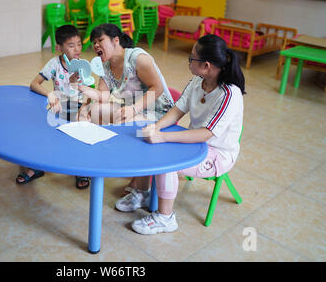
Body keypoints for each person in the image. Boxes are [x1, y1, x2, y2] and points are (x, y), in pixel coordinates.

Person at [114, 34, 245, 235]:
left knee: (167, 160)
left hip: (217, 153)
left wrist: (164, 137)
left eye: (192, 58)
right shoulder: (197, 81)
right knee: (147, 139)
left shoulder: (228, 94)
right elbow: (177, 110)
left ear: (207, 65)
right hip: (195, 142)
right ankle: (143, 193)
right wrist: (156, 128)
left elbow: (206, 134)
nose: (189, 61)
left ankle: (165, 218)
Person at [76, 23, 174, 194]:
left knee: (127, 124)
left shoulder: (138, 58)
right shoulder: (104, 66)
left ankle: (138, 178)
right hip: (133, 110)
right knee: (93, 111)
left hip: (158, 113)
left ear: (116, 40)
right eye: (93, 43)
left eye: (100, 40)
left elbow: (156, 89)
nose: (96, 45)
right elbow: (103, 96)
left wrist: (134, 109)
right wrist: (83, 94)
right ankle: (95, 161)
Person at [16, 24, 92, 189]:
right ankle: (36, 168)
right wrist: (49, 95)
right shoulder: (54, 64)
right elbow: (34, 84)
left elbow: (89, 94)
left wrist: (84, 108)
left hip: (77, 108)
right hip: (59, 107)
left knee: (80, 135)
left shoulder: (83, 66)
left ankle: (82, 170)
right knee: (42, 132)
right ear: (59, 47)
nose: (77, 49)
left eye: (79, 44)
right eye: (71, 46)